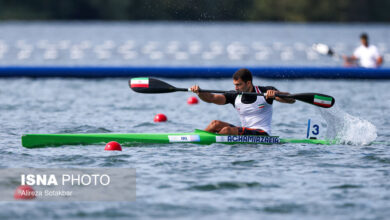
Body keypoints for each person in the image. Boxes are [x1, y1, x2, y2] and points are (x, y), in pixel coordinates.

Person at [190, 68, 295, 136]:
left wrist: (275, 94)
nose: (236, 88)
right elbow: (211, 98)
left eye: (238, 85)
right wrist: (199, 92)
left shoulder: (265, 92)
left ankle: (213, 142)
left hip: (262, 133)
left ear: (248, 83)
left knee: (227, 131)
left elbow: (291, 100)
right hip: (246, 131)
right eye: (234, 85)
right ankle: (197, 142)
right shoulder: (235, 95)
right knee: (214, 124)